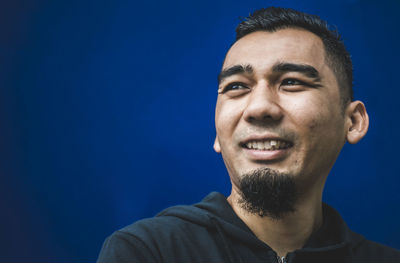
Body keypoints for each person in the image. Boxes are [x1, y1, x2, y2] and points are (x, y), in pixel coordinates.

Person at [97, 7, 400, 263]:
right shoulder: (148, 252)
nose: (258, 108)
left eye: (292, 82)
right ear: (218, 133)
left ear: (353, 121)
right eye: (237, 87)